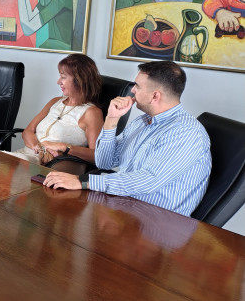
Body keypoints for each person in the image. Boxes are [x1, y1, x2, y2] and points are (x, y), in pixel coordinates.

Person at [44, 61, 211, 217]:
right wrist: (111, 119)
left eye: (137, 86)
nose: (132, 90)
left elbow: (147, 180)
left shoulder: (186, 133)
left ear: (155, 96)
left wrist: (83, 181)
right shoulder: (142, 122)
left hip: (156, 224)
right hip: (126, 209)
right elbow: (104, 161)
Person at [6, 54, 103, 170]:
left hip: (51, 165)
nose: (58, 82)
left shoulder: (91, 112)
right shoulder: (55, 101)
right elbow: (28, 131)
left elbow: (97, 156)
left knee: (0, 173)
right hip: (27, 155)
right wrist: (39, 148)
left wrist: (63, 147)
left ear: (79, 79)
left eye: (63, 77)